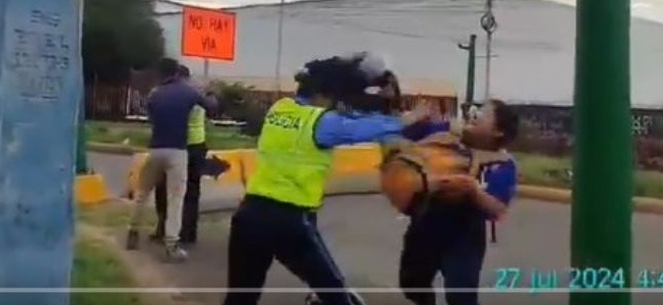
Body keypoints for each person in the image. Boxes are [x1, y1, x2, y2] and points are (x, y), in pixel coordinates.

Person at [222, 53, 437, 305]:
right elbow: (361, 128)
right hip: (288, 221)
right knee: (334, 292)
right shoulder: (321, 123)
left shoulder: (279, 108)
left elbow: (349, 118)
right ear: (325, 95)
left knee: (240, 297)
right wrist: (409, 118)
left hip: (249, 215)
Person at [397, 99, 520, 305]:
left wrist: (472, 190)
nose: (473, 114)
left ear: (498, 131)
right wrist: (414, 118)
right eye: (475, 110)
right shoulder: (447, 134)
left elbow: (497, 208)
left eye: (483, 113)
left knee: (461, 297)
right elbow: (405, 133)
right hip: (424, 226)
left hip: (464, 238)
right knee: (412, 284)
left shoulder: (502, 165)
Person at [125, 58, 217, 261]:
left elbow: (151, 117)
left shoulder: (154, 94)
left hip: (156, 149)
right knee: (176, 199)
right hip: (178, 152)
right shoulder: (188, 92)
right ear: (177, 73)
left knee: (142, 194)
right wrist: (209, 94)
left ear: (160, 73)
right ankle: (172, 244)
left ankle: (132, 232)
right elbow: (210, 107)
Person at [151, 64, 209, 246]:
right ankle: (188, 232)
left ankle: (163, 229)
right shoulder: (198, 93)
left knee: (163, 190)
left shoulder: (174, 94)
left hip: (177, 145)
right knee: (191, 192)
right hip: (197, 145)